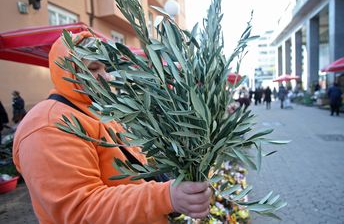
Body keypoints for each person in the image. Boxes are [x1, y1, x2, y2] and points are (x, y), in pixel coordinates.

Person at [13, 32, 211, 223]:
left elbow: (132, 164)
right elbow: (80, 210)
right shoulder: (48, 126)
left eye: (105, 68)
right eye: (93, 68)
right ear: (67, 71)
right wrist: (165, 197)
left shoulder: (96, 112)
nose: (106, 77)